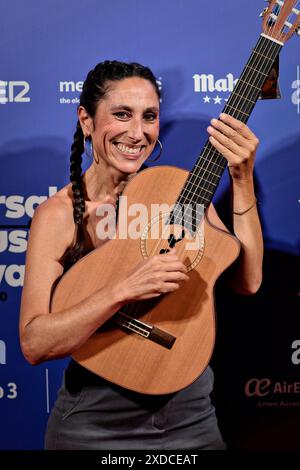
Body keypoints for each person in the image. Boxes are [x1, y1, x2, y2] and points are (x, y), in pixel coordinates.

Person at [19, 60, 263, 450]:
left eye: (149, 116)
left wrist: (242, 178)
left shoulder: (176, 194)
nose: (138, 133)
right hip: (94, 426)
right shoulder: (60, 215)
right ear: (86, 120)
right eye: (121, 114)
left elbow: (247, 281)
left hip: (191, 418)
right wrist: (123, 289)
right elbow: (35, 343)